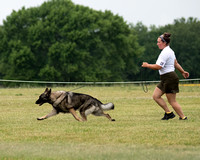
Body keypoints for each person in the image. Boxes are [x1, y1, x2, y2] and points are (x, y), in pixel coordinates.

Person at [142, 32, 189, 120]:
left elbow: (158, 67)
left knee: (172, 101)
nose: (157, 44)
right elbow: (175, 63)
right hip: (165, 78)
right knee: (156, 96)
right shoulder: (170, 51)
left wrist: (147, 65)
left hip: (169, 78)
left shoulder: (165, 53)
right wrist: (183, 71)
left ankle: (183, 117)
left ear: (164, 43)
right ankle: (168, 113)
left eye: (159, 42)